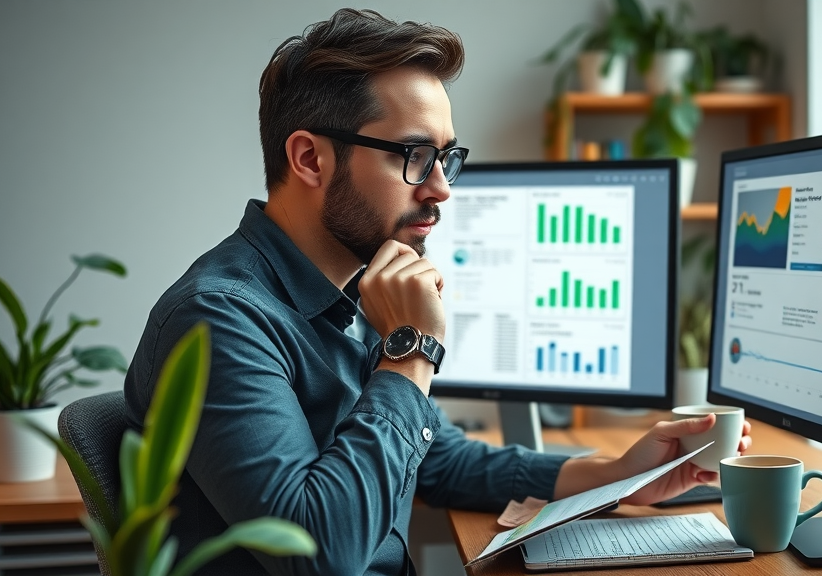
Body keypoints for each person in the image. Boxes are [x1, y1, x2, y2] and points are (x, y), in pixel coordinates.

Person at [123, 8, 752, 576]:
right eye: (414, 156)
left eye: (446, 158)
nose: (441, 189)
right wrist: (412, 351)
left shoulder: (358, 283)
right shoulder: (219, 319)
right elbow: (317, 553)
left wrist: (618, 476)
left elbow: (441, 462)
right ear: (310, 160)